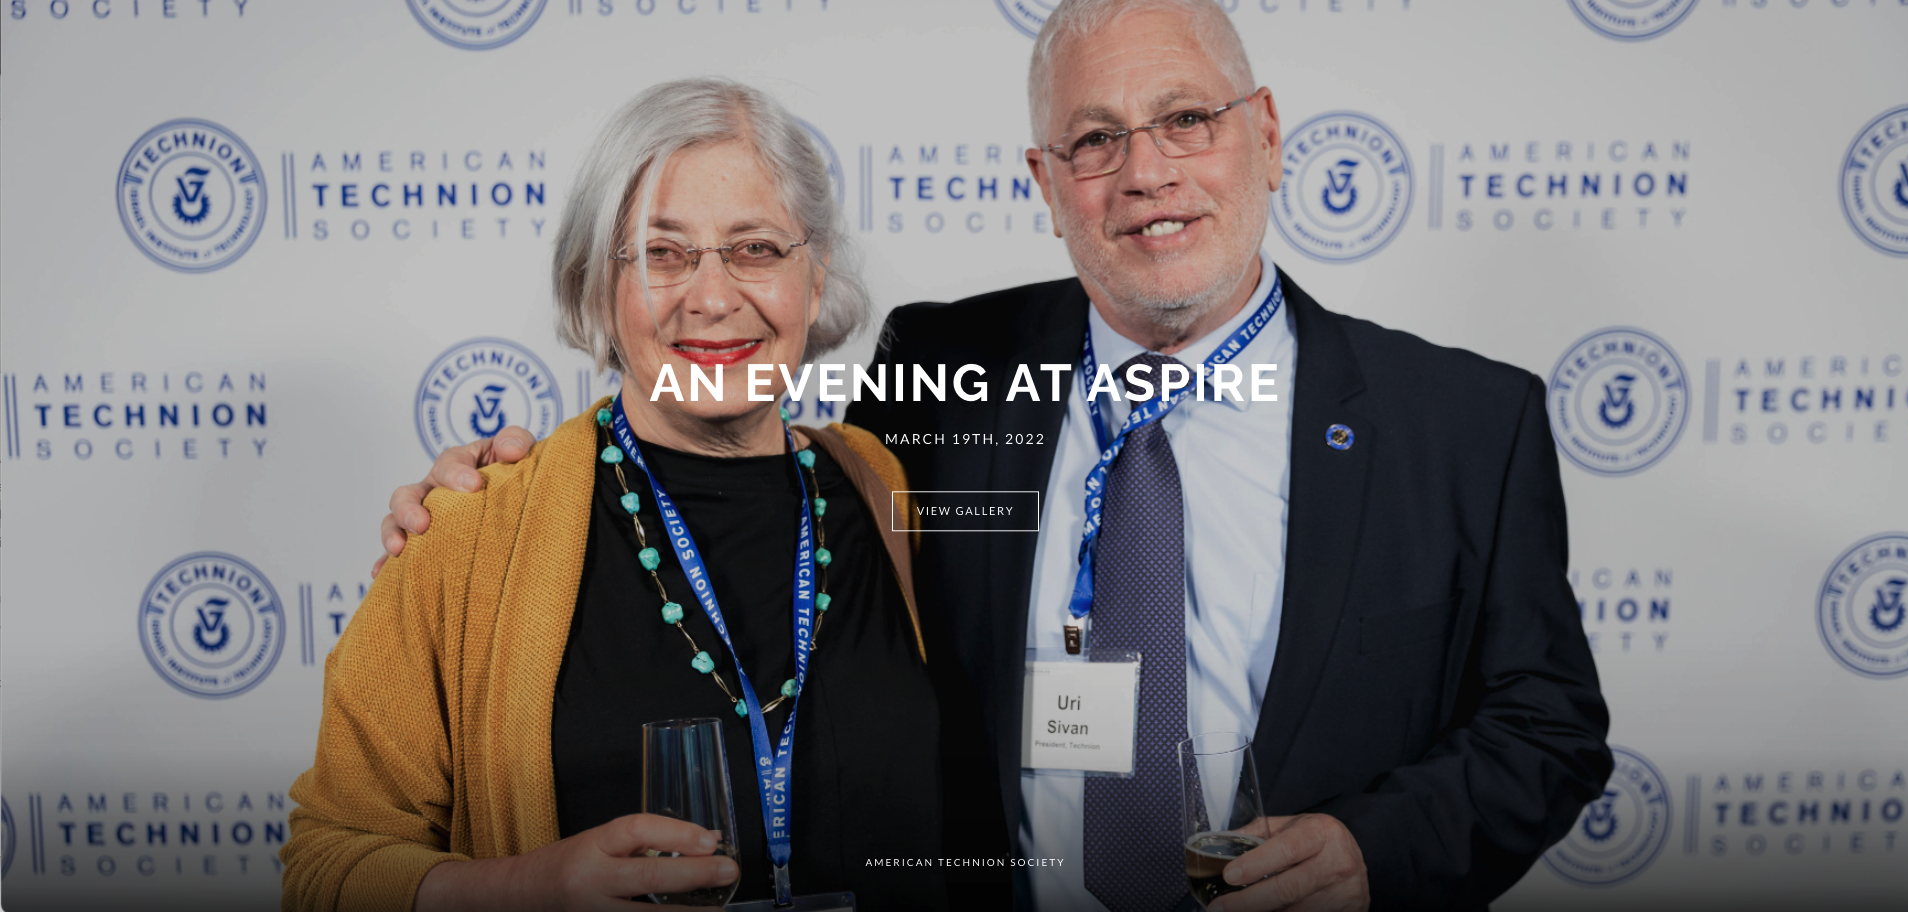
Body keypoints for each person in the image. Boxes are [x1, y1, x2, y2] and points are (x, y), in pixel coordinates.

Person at [379, 2, 1612, 910]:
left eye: (1187, 119)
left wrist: (1372, 849)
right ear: (1046, 178)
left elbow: (1548, 728)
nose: (1146, 174)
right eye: (1093, 140)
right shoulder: (941, 373)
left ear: (1269, 136)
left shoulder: (1462, 423)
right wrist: (487, 508)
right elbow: (736, 474)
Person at [284, 78, 954, 911]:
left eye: (755, 249)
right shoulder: (468, 531)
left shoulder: (886, 490)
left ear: (813, 281)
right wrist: (530, 890)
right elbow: (324, 868)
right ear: (599, 287)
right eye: (663, 253)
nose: (713, 298)